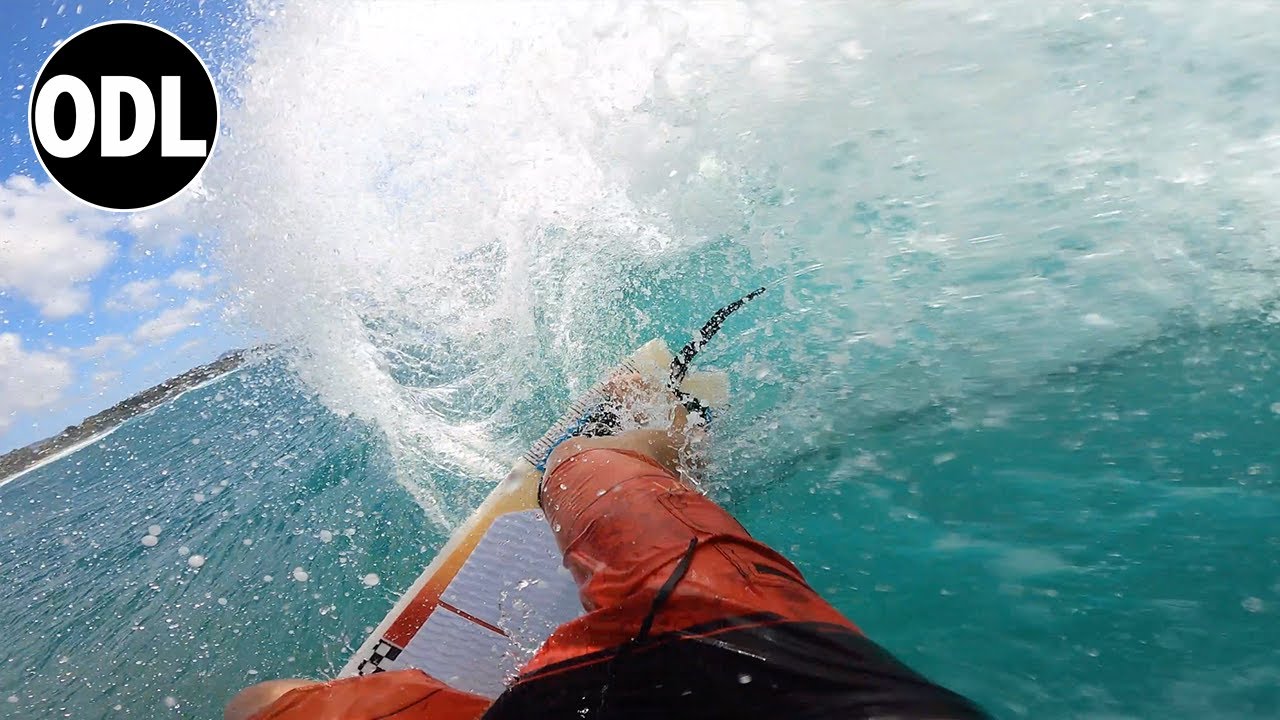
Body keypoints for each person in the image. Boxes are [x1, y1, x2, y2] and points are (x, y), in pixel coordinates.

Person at [228, 379, 987, 720]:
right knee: (579, 464)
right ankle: (668, 438)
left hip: (604, 682)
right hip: (728, 652)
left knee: (258, 706)